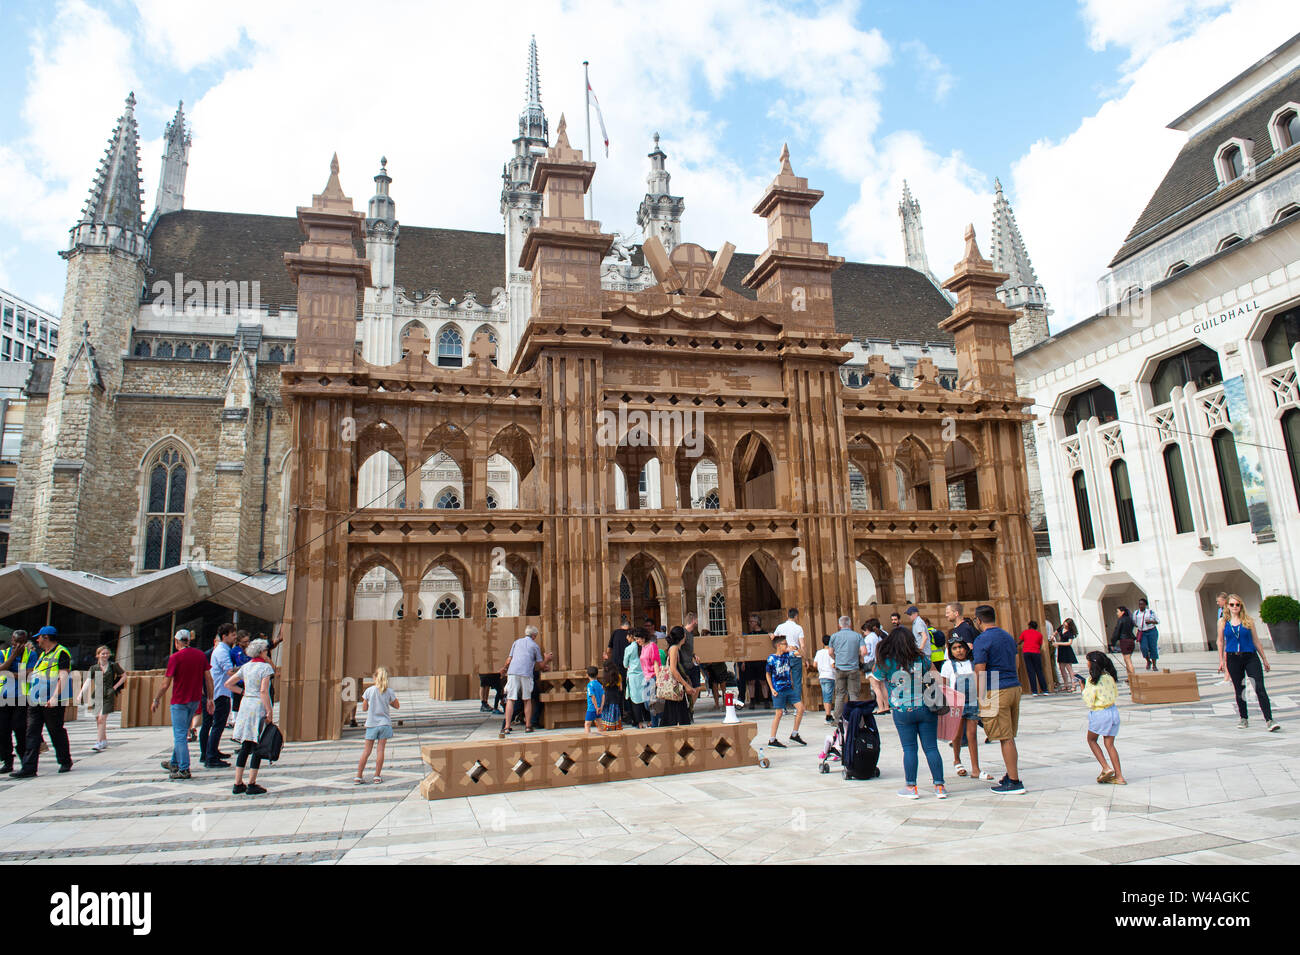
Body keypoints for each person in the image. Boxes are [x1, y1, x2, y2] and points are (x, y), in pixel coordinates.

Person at [872, 626, 946, 800]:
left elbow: (876, 681)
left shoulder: (886, 661)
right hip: (926, 707)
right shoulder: (921, 658)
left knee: (909, 749)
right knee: (931, 748)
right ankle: (939, 786)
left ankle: (911, 787)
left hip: (901, 710)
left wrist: (885, 700)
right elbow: (938, 678)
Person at [972, 605, 1026, 795]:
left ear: (978, 620)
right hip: (1014, 686)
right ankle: (1010, 774)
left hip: (996, 688)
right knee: (1009, 735)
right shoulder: (1008, 636)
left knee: (1005, 738)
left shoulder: (982, 640)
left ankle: (1014, 781)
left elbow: (980, 670)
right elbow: (1017, 662)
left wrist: (980, 699)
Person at [10, 626, 74, 778]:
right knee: (31, 733)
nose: (37, 640)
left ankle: (65, 760)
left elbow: (63, 676)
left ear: (46, 637)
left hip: (52, 701)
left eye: (39, 637)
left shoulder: (61, 652)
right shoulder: (42, 654)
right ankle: (29, 768)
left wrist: (54, 697)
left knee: (55, 731)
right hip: (36, 700)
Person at [149, 629, 214, 781]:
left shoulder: (175, 657)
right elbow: (208, 678)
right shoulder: (200, 655)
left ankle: (184, 768)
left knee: (180, 735)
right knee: (182, 732)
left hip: (179, 701)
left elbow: (166, 683)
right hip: (195, 699)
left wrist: (156, 699)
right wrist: (210, 697)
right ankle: (174, 762)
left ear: (177, 642)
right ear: (188, 641)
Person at [1217, 594, 1280, 731]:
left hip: (1250, 656)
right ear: (1227, 606)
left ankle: (1269, 719)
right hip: (1233, 658)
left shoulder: (1248, 621)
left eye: (1237, 604)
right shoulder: (1222, 622)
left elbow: (1256, 641)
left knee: (1259, 687)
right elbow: (1220, 641)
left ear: (1241, 606)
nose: (1235, 607)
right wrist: (1221, 660)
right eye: (1232, 604)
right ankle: (1243, 718)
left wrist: (1264, 659)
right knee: (1240, 689)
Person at [226, 638, 275, 794]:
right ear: (261, 652)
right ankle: (252, 782)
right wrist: (269, 711)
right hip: (257, 705)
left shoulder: (246, 667)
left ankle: (237, 782)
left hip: (245, 704)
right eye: (266, 650)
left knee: (245, 745)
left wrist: (243, 692)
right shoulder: (265, 668)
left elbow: (228, 684)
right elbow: (263, 691)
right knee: (257, 744)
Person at [940, 639, 991, 780]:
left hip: (972, 702)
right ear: (950, 651)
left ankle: (976, 768)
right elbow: (944, 686)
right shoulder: (948, 666)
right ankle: (957, 760)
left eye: (961, 647)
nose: (958, 651)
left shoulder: (972, 664)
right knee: (956, 734)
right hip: (956, 703)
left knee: (972, 734)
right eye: (955, 648)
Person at [1082, 651, 1126, 784]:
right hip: (1113, 711)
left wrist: (1083, 688)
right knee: (1110, 744)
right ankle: (1119, 777)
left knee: (1091, 740)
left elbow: (1089, 701)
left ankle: (1106, 767)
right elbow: (1115, 693)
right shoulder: (1109, 677)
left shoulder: (1091, 680)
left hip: (1100, 713)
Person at [0, 630, 38, 773]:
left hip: (21, 697)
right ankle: (7, 761)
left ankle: (25, 762)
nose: (19, 645)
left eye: (22, 642)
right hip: (4, 697)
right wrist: (13, 657)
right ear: (12, 641)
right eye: (16, 642)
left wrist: (9, 673)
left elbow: (28, 674)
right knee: (3, 731)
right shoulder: (3, 654)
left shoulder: (31, 654)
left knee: (20, 728)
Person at [201, 623, 238, 768]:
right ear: (225, 636)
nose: (235, 637)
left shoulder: (222, 649)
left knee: (213, 724)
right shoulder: (222, 651)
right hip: (220, 692)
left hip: (218, 691)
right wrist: (245, 669)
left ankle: (211, 752)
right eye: (233, 635)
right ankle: (210, 756)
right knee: (218, 724)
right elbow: (229, 671)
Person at [77, 645, 125, 753]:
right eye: (103, 654)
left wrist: (115, 687)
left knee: (101, 718)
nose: (105, 655)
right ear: (98, 655)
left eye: (107, 653)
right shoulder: (94, 668)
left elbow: (124, 676)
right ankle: (103, 740)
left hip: (108, 694)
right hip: (97, 695)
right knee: (98, 719)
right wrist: (81, 694)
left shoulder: (113, 666)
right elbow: (88, 681)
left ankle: (98, 742)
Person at [355, 666, 399, 784]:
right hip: (384, 724)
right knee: (380, 751)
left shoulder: (369, 691)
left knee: (366, 751)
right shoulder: (389, 691)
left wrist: (371, 703)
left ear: (375, 677)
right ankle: (377, 776)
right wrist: (386, 702)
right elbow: (397, 705)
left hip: (371, 724)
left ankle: (359, 776)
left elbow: (364, 708)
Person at [500, 625, 545, 736]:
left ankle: (506, 727)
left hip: (513, 672)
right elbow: (541, 665)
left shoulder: (516, 642)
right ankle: (528, 726)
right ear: (534, 636)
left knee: (511, 699)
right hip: (526, 673)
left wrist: (504, 669)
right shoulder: (534, 646)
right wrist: (547, 659)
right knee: (527, 699)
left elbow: (509, 659)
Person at [764, 634, 806, 748]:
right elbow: (768, 674)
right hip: (778, 689)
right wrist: (772, 688)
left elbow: (802, 654)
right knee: (779, 713)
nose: (786, 645)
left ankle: (795, 733)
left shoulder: (788, 655)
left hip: (788, 688)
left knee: (800, 708)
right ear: (778, 645)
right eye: (785, 644)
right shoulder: (771, 658)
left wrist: (795, 648)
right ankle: (772, 739)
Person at [828, 615, 867, 720]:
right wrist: (859, 658)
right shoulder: (858, 636)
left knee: (840, 694)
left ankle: (837, 719)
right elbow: (864, 651)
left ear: (839, 625)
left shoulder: (834, 636)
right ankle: (856, 718)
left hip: (840, 668)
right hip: (853, 668)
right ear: (850, 624)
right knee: (853, 694)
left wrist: (836, 659)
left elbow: (830, 652)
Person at [658, 626, 698, 727]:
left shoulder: (676, 648)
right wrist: (686, 685)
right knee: (676, 717)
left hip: (676, 689)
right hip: (675, 688)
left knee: (675, 716)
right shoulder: (674, 649)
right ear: (683, 636)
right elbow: (673, 669)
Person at [773, 607, 805, 701]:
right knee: (797, 681)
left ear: (787, 615)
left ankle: (783, 705)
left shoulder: (780, 627)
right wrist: (805, 657)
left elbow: (774, 639)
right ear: (796, 616)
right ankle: (797, 704)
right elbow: (802, 645)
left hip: (783, 655)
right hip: (795, 655)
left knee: (782, 680)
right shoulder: (798, 628)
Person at [623, 631, 649, 728]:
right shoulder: (644, 647)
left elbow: (625, 664)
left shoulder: (629, 648)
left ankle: (639, 722)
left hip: (633, 676)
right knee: (644, 698)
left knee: (635, 700)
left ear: (631, 636)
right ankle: (649, 720)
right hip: (644, 675)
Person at [1019, 620, 1048, 696]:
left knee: (1031, 672)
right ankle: (1045, 690)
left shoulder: (1025, 632)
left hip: (1027, 652)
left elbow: (1020, 641)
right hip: (1036, 652)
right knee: (1039, 671)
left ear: (1029, 626)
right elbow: (1040, 644)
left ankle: (1034, 691)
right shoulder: (1039, 634)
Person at [813, 635, 836, 724]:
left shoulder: (819, 652)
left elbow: (815, 664)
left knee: (825, 695)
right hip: (830, 675)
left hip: (821, 675)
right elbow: (833, 665)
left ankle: (828, 714)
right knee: (828, 696)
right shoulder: (830, 652)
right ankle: (828, 715)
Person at [1053, 618, 1080, 691]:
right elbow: (1055, 633)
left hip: (1067, 650)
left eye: (1066, 624)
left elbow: (1069, 643)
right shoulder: (1061, 627)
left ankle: (1073, 685)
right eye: (1064, 623)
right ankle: (1066, 684)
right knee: (1061, 668)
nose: (1065, 625)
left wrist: (1058, 643)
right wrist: (1053, 637)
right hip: (1061, 649)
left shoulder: (1070, 632)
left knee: (1069, 668)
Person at [1133, 598, 1160, 672]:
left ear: (1145, 605)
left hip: (1151, 631)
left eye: (1142, 604)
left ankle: (1154, 665)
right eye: (1139, 604)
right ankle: (1148, 660)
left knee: (1153, 647)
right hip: (1142, 632)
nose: (1140, 606)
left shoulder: (1150, 612)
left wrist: (1151, 621)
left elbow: (1157, 621)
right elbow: (1134, 623)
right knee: (1143, 648)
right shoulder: (1136, 613)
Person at [1111, 607, 1136, 681]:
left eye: (1118, 611)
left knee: (1128, 660)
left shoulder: (1121, 620)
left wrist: (1113, 643)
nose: (1117, 613)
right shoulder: (1130, 619)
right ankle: (1130, 677)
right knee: (1127, 659)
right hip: (1131, 640)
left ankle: (1133, 677)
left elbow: (1117, 632)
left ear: (1123, 612)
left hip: (1125, 641)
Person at [599, 659, 623, 732]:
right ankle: (615, 726)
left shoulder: (606, 677)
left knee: (606, 711)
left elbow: (603, 687)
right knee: (614, 711)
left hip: (607, 697)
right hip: (615, 697)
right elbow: (621, 688)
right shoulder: (618, 676)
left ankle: (606, 726)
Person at [584, 665, 604, 735]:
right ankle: (603, 739)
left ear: (587, 675)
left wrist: (596, 708)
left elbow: (593, 697)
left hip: (592, 708)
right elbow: (603, 696)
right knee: (600, 724)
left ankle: (588, 739)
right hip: (599, 708)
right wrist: (601, 707)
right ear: (597, 674)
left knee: (587, 724)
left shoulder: (590, 685)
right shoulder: (599, 684)